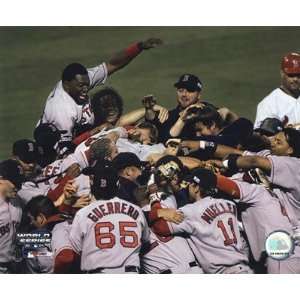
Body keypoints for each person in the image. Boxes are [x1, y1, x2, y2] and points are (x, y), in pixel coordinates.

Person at [37, 38, 163, 146]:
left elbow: (112, 64)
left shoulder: (80, 80)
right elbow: (66, 149)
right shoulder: (61, 111)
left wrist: (138, 47)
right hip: (60, 148)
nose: (85, 90)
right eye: (81, 86)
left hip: (84, 132)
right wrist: (94, 132)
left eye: (87, 85)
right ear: (66, 84)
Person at [150, 168, 252, 274]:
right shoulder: (230, 205)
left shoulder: (192, 211)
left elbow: (160, 227)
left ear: (196, 188)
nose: (187, 187)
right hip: (245, 268)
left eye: (190, 184)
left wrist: (155, 200)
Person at [66, 163, 150, 273]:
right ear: (118, 185)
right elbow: (146, 242)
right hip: (130, 271)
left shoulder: (83, 214)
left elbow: (75, 250)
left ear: (92, 184)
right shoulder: (136, 210)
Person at [149, 74, 216, 143]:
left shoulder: (208, 112)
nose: (184, 94)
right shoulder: (168, 116)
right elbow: (165, 142)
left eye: (190, 90)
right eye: (181, 90)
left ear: (198, 95)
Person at [254, 52, 300, 128]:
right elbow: (260, 136)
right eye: (291, 75)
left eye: (298, 75)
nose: (295, 79)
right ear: (282, 73)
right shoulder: (268, 104)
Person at [0, 159, 24, 273]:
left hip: (11, 266)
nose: (18, 187)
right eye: (15, 182)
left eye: (20, 182)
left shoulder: (17, 201)